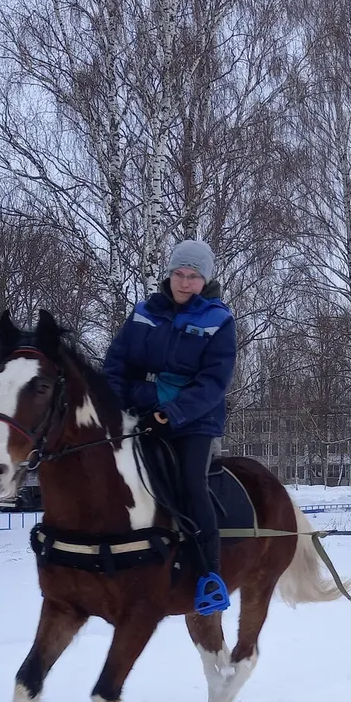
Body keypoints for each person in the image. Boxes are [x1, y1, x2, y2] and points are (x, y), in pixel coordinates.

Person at [102, 239, 238, 614]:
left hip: (193, 421)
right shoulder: (144, 312)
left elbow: (213, 382)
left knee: (190, 484)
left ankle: (210, 575)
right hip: (138, 412)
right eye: (179, 273)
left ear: (204, 279)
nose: (184, 282)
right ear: (170, 274)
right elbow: (117, 364)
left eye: (193, 276)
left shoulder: (218, 320)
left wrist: (171, 414)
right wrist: (114, 406)